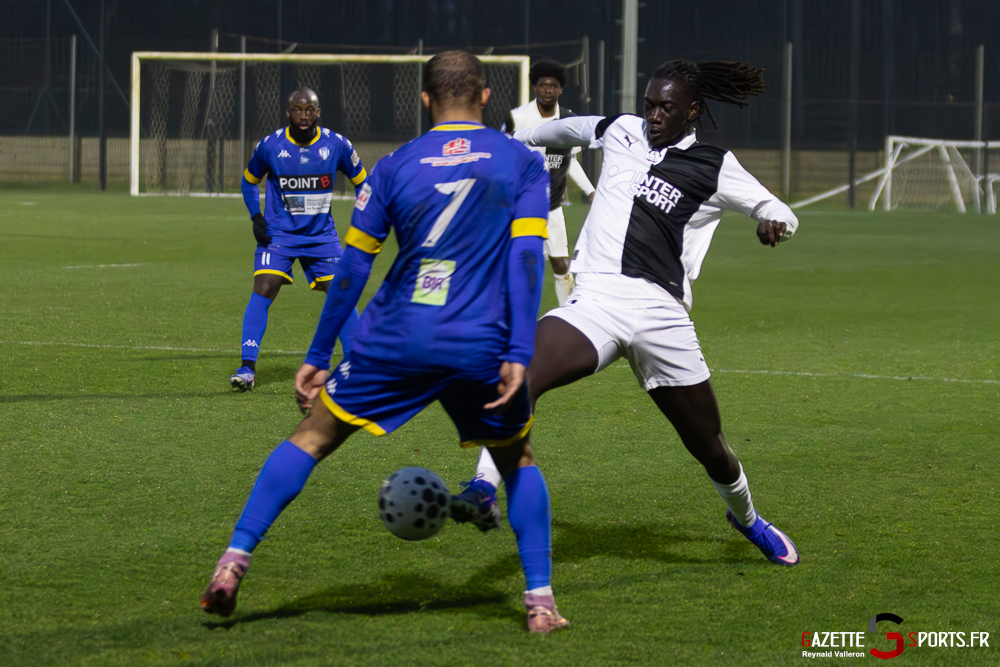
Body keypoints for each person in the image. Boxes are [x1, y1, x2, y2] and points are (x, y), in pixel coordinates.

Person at [201, 51, 570, 633]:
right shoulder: (520, 161)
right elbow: (527, 257)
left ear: (426, 100)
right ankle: (541, 601)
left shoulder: (397, 164)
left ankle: (233, 560)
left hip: (397, 337)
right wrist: (520, 351)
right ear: (484, 97)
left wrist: (319, 355)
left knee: (311, 437)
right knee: (517, 460)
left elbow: (350, 268)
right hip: (479, 342)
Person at [454, 59, 801, 568]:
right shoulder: (622, 131)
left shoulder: (714, 163)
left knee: (710, 446)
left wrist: (774, 225)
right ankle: (484, 486)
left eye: (666, 107)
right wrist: (519, 139)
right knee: (518, 371)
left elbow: (780, 210)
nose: (654, 115)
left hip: (662, 313)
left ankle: (747, 519)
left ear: (693, 110)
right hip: (595, 301)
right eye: (649, 105)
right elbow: (567, 129)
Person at [230, 87, 366, 391]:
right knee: (264, 287)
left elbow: (364, 185)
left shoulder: (337, 145)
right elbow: (249, 181)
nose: (304, 115)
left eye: (310, 109)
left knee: (342, 293)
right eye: (298, 109)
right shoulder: (270, 146)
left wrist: (364, 221)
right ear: (288, 112)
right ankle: (247, 368)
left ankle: (356, 369)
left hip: (322, 236)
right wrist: (256, 217)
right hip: (280, 234)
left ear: (318, 113)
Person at [502, 59, 595, 306]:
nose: (548, 90)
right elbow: (501, 155)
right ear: (535, 87)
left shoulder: (568, 120)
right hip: (519, 205)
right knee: (516, 263)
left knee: (562, 265)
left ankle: (569, 319)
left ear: (561, 89)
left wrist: (590, 190)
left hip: (552, 205)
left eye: (554, 86)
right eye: (543, 86)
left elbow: (570, 161)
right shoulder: (517, 118)